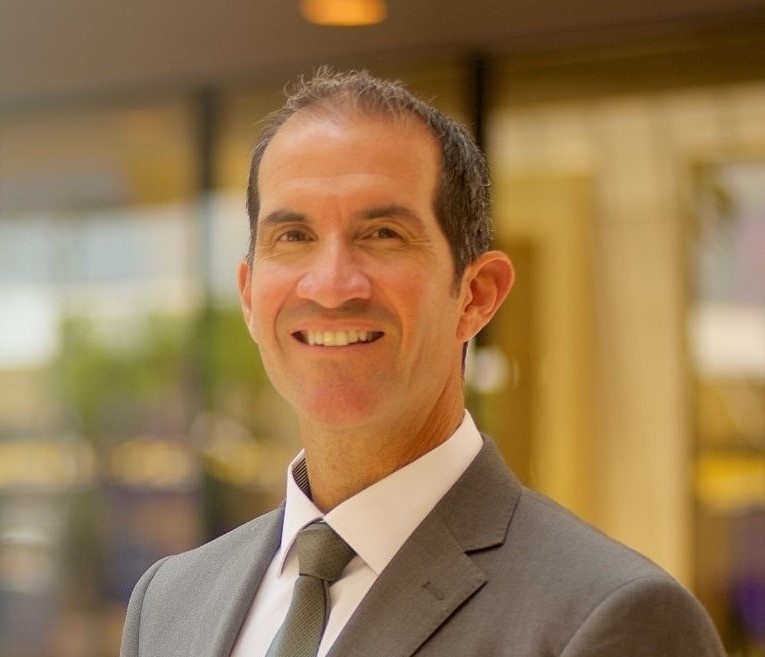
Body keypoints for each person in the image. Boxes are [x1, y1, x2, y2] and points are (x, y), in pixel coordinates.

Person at [120, 68, 725, 657]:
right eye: (294, 236)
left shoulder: (610, 617)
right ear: (250, 296)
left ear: (477, 295)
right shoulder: (170, 603)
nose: (331, 286)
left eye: (382, 234)